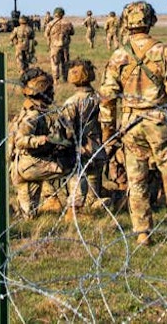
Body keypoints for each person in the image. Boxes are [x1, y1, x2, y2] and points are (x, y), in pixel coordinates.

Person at [99, 0, 167, 247]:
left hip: (131, 124)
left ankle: (142, 232)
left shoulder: (118, 55)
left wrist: (108, 129)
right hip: (159, 122)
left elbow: (108, 96)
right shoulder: (164, 52)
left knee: (137, 180)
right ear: (151, 21)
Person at [8, 67, 72, 218]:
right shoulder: (33, 115)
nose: (53, 94)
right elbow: (20, 140)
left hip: (21, 166)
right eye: (50, 91)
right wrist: (43, 140)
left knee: (28, 215)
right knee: (72, 166)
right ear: (41, 91)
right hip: (31, 164)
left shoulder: (30, 110)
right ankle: (76, 207)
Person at [59, 58, 106, 215]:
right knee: (93, 192)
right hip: (98, 149)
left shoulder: (72, 102)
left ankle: (75, 212)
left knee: (77, 188)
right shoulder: (99, 98)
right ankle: (98, 206)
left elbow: (66, 129)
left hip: (80, 150)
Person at [44, 7, 75, 81]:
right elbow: (72, 32)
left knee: (55, 63)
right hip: (65, 46)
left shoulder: (50, 24)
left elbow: (46, 34)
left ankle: (55, 80)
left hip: (54, 46)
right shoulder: (68, 23)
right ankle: (65, 78)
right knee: (65, 62)